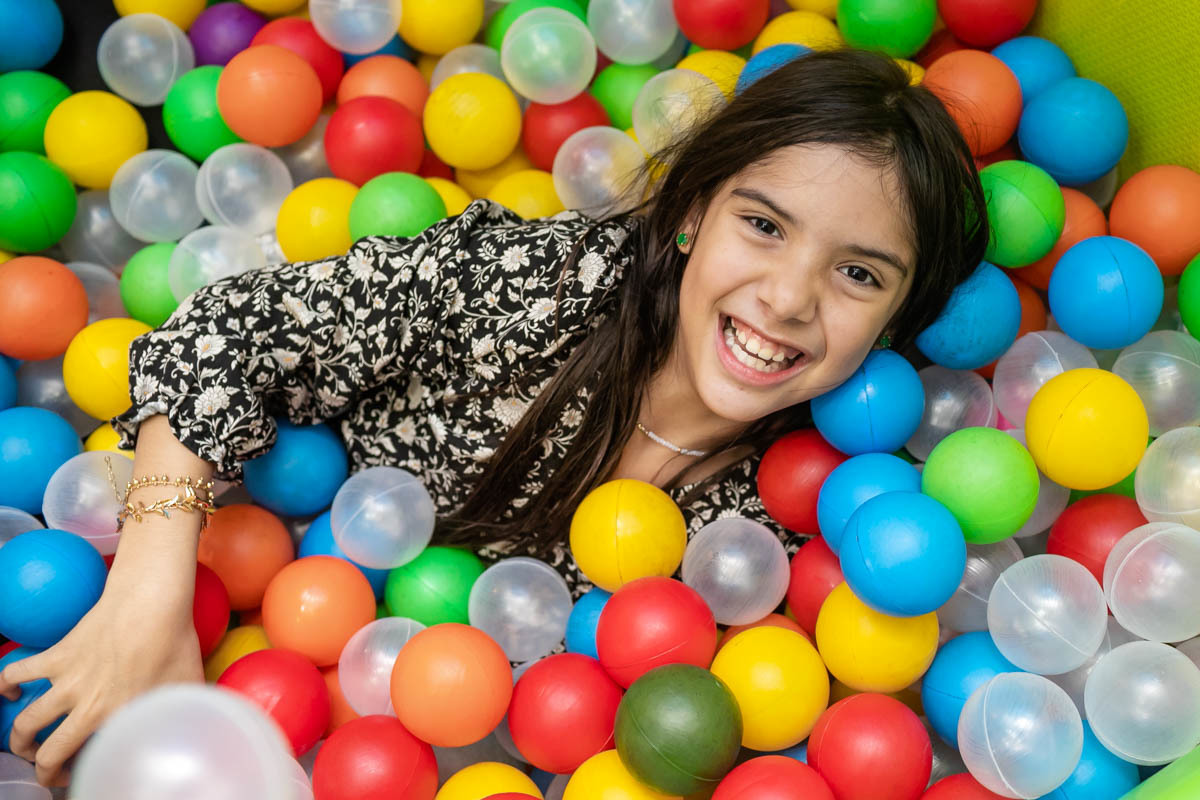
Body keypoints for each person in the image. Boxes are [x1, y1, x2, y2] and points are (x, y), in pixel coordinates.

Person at [0, 48, 987, 785]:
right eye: (763, 224)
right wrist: (149, 594)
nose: (787, 296)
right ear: (691, 212)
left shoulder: (815, 510)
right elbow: (237, 321)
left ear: (900, 319)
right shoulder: (547, 286)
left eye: (859, 273)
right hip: (222, 575)